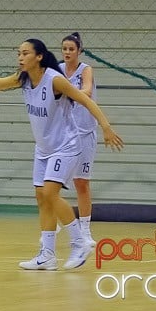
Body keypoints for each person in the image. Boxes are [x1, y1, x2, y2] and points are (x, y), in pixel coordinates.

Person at [0, 38, 123, 271]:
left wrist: (105, 127)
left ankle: (79, 242)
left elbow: (85, 99)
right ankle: (47, 256)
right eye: (18, 54)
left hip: (67, 145)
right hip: (43, 149)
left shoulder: (54, 80)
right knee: (42, 199)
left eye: (25, 53)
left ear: (39, 57)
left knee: (50, 194)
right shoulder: (23, 79)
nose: (20, 58)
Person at [59, 32, 97, 246]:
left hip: (85, 132)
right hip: (63, 134)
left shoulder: (85, 70)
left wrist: (66, 91)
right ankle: (53, 225)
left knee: (81, 183)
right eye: (64, 48)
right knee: (53, 183)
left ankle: (85, 230)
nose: (67, 52)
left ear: (79, 51)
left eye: (71, 49)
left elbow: (87, 91)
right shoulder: (56, 69)